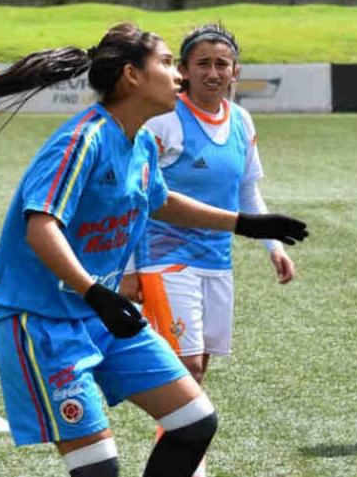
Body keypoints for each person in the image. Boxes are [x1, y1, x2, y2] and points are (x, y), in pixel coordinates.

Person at [0, 23, 308, 477]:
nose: (179, 75)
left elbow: (160, 201)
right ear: (132, 75)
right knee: (100, 471)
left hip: (102, 318)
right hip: (46, 323)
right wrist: (95, 292)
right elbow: (41, 228)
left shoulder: (142, 141)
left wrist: (246, 223)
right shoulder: (82, 139)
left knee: (194, 422)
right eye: (166, 63)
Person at [120, 24, 294, 477]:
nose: (213, 72)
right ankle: (187, 469)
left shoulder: (242, 122)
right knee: (186, 368)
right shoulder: (165, 121)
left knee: (199, 368)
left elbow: (247, 192)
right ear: (183, 70)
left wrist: (273, 245)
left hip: (217, 262)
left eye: (222, 64)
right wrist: (130, 267)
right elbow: (136, 197)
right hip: (164, 259)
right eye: (202, 64)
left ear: (236, 71)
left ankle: (182, 460)